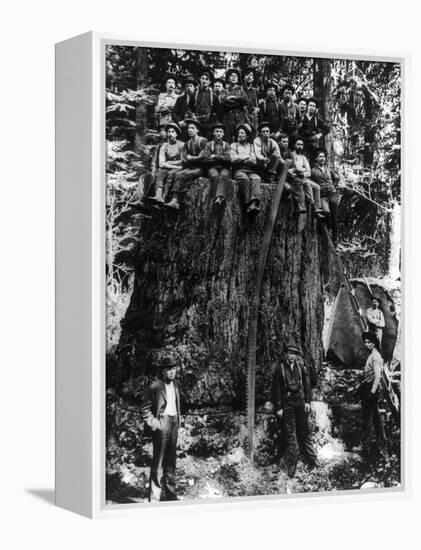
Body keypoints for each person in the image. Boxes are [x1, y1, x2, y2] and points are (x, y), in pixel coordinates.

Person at [272, 342, 318, 478]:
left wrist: (308, 401)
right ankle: (293, 463)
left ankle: (313, 459)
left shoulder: (300, 366)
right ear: (285, 354)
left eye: (294, 354)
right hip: (288, 403)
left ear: (296, 355)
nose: (291, 356)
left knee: (305, 431)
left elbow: (307, 384)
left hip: (301, 401)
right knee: (290, 434)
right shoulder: (280, 369)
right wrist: (279, 407)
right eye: (289, 353)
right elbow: (276, 389)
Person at [141, 355, 181, 502]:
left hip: (174, 423)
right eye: (169, 369)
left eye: (174, 368)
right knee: (158, 462)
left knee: (171, 462)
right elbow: (145, 409)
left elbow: (177, 405)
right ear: (163, 371)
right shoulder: (155, 386)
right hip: (162, 423)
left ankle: (171, 495)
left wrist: (178, 422)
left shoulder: (176, 384)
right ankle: (154, 498)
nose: (172, 372)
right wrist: (155, 424)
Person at [353, 332, 386, 453]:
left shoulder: (375, 357)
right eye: (366, 342)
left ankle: (363, 445)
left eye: (370, 342)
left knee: (366, 417)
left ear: (375, 343)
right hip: (369, 386)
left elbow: (377, 377)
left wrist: (371, 392)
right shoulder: (372, 354)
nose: (367, 344)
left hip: (372, 387)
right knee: (376, 416)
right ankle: (382, 440)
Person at [165, 119, 207, 210]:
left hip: (202, 168)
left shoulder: (202, 141)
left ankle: (177, 200)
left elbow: (203, 157)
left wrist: (192, 158)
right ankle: (174, 200)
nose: (190, 130)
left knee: (185, 174)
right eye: (188, 128)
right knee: (177, 174)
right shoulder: (187, 143)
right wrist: (190, 159)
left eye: (193, 128)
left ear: (197, 130)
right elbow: (184, 159)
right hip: (191, 167)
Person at [149, 123, 184, 205]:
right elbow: (161, 164)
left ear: (176, 134)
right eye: (169, 132)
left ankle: (164, 198)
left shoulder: (182, 145)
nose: (170, 134)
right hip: (169, 167)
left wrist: (168, 163)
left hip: (177, 169)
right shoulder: (164, 146)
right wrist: (173, 164)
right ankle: (158, 195)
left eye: (173, 132)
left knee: (171, 174)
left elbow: (183, 161)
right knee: (160, 173)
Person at [230, 123, 261, 214]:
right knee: (244, 179)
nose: (240, 135)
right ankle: (246, 203)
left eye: (242, 133)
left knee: (256, 178)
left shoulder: (251, 146)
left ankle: (254, 203)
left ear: (247, 136)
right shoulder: (233, 145)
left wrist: (241, 158)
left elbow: (254, 161)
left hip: (251, 170)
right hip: (238, 170)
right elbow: (233, 159)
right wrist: (245, 157)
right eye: (239, 133)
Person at [311, 148, 340, 242]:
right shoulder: (313, 171)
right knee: (326, 212)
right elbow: (309, 181)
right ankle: (328, 231)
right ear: (316, 158)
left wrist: (334, 186)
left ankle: (335, 239)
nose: (322, 158)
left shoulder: (329, 169)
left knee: (335, 217)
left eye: (323, 156)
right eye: (320, 157)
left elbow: (337, 178)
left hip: (332, 194)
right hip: (323, 196)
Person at [200, 123, 231, 207]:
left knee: (224, 175)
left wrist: (215, 156)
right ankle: (217, 197)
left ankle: (218, 198)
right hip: (212, 168)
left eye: (221, 132)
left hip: (224, 167)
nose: (219, 133)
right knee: (214, 175)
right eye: (217, 131)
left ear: (223, 134)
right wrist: (221, 158)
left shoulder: (227, 145)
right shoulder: (209, 145)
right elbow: (206, 159)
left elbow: (228, 158)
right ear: (213, 133)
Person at [291, 138, 324, 217]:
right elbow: (296, 167)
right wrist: (303, 169)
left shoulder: (303, 157)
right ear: (294, 145)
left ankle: (317, 207)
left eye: (301, 145)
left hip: (303, 177)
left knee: (317, 186)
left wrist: (302, 172)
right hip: (295, 179)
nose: (300, 146)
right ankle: (313, 205)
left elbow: (308, 172)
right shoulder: (292, 155)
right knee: (306, 184)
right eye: (298, 144)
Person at [278, 134, 306, 214]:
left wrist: (291, 170)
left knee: (298, 181)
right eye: (283, 142)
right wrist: (287, 171)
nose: (285, 143)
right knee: (288, 187)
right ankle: (294, 201)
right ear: (279, 142)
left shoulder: (289, 152)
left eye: (287, 142)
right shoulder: (277, 151)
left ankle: (298, 206)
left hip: (288, 176)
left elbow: (294, 166)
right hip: (279, 177)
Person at [221, 68, 249, 143]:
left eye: (235, 76)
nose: (233, 78)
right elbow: (224, 101)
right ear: (228, 78)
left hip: (239, 117)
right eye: (231, 76)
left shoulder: (241, 90)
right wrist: (239, 103)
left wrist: (234, 97)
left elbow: (245, 100)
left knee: (239, 136)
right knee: (228, 137)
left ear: (238, 79)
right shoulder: (224, 91)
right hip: (228, 117)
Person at [193, 70, 215, 138]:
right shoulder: (195, 94)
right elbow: (189, 107)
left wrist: (212, 120)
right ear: (200, 80)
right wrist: (192, 115)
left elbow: (217, 110)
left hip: (209, 123)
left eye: (206, 79)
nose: (204, 81)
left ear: (210, 82)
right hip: (197, 121)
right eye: (203, 78)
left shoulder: (213, 95)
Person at [243, 68, 260, 137]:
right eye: (247, 75)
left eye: (251, 75)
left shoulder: (255, 91)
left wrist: (257, 109)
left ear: (253, 78)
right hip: (243, 117)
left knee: (254, 136)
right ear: (244, 77)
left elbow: (258, 104)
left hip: (254, 118)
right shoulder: (240, 89)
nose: (249, 77)